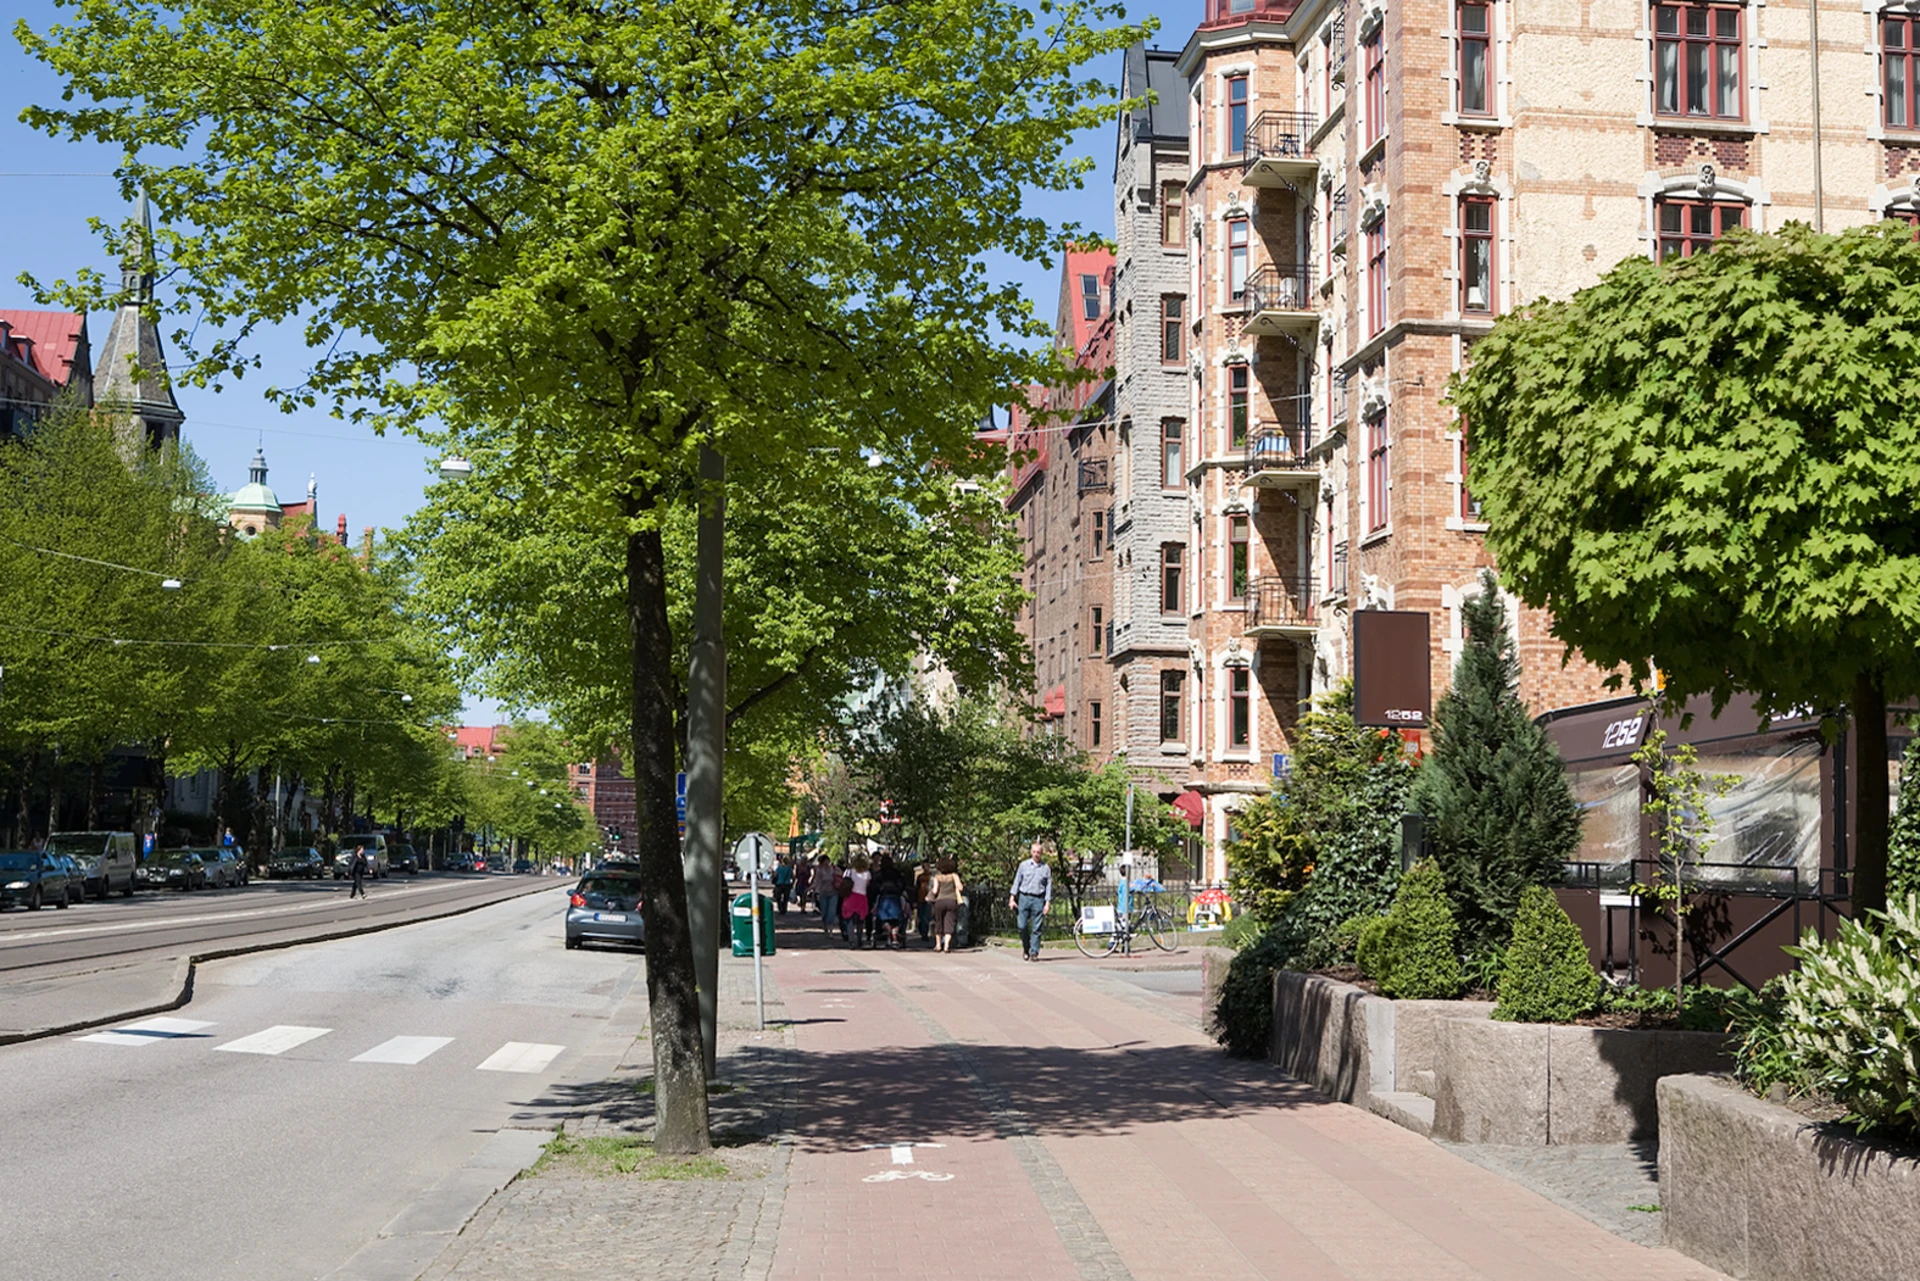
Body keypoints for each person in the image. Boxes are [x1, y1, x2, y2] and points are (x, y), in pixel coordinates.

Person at [1007, 839, 1052, 961]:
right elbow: (1017, 882)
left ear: (1041, 853)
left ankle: (1034, 952)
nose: (1036, 854)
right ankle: (1026, 948)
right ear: (1031, 852)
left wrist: (1047, 903)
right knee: (1022, 926)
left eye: (1038, 852)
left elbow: (1048, 887)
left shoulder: (1046, 868)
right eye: (1034, 852)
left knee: (1037, 928)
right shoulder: (1023, 865)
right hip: (1024, 897)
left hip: (1038, 899)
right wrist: (1012, 898)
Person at [929, 857, 964, 953]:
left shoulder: (937, 877)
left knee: (938, 922)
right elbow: (960, 887)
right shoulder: (954, 876)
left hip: (940, 901)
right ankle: (947, 946)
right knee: (949, 922)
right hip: (952, 901)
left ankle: (938, 945)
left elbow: (935, 890)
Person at [872, 856, 908, 949]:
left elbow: (874, 887)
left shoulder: (879, 874)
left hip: (883, 898)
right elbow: (902, 884)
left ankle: (887, 931)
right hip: (895, 898)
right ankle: (895, 932)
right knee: (897, 918)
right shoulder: (897, 874)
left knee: (882, 918)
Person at [840, 854, 872, 947]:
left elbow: (844, 882)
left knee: (849, 920)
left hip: (850, 897)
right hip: (861, 898)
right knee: (860, 921)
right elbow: (867, 885)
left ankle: (851, 940)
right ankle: (859, 939)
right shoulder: (867, 873)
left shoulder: (848, 872)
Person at [815, 855, 841, 936]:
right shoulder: (820, 871)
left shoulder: (833, 868)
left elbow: (842, 875)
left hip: (833, 893)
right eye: (824, 861)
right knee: (825, 912)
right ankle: (825, 926)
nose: (826, 863)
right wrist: (814, 891)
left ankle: (830, 930)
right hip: (823, 893)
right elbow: (817, 881)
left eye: (827, 861)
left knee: (832, 912)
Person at [912, 860, 934, 944]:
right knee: (920, 916)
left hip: (929, 898)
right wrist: (914, 900)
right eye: (924, 866)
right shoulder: (920, 877)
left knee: (926, 917)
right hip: (920, 898)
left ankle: (924, 933)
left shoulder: (931, 876)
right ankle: (922, 931)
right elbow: (916, 888)